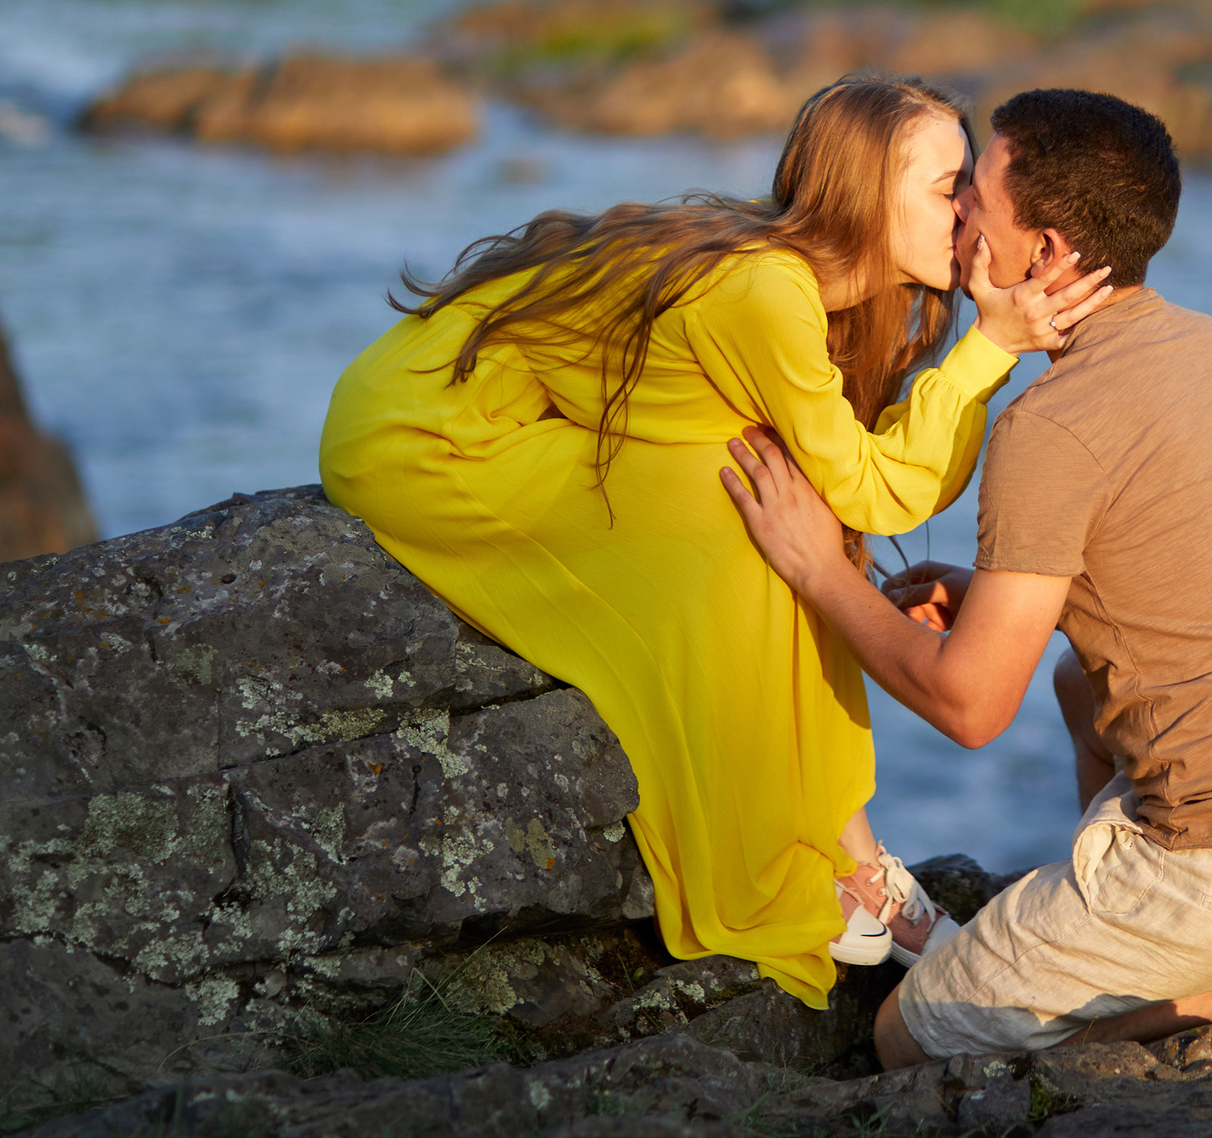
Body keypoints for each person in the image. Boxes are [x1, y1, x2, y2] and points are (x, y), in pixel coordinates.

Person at [318, 75, 1112, 1008]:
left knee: (785, 517)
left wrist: (979, 356)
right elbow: (876, 487)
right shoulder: (765, 289)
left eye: (969, 186)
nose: (970, 210)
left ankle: (851, 853)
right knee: (747, 521)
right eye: (949, 186)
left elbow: (881, 485)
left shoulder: (824, 290)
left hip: (526, 415)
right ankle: (775, 875)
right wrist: (990, 348)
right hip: (428, 433)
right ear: (864, 188)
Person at [718, 87, 1212, 1068]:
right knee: (1069, 679)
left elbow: (969, 709)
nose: (958, 206)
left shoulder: (1052, 425)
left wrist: (811, 569)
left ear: (1042, 254)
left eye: (976, 194)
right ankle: (1169, 931)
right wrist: (1002, 592)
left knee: (908, 1039)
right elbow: (1198, 573)